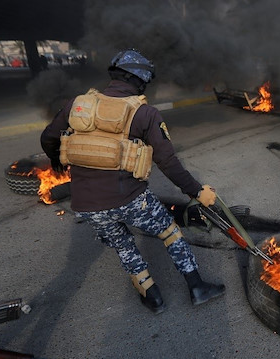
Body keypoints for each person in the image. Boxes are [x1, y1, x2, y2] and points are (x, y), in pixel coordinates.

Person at [40, 49, 225, 314]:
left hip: (87, 205)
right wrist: (196, 191)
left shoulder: (77, 104)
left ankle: (153, 298)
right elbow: (168, 161)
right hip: (129, 199)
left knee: (124, 246)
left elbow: (48, 138)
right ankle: (197, 287)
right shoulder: (145, 113)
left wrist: (58, 161)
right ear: (139, 80)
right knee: (169, 232)